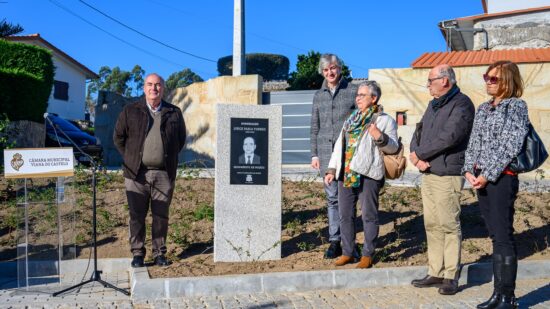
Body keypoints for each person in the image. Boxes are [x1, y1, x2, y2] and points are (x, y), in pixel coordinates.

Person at [462, 61, 529, 309]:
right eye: (486, 77)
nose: (488, 81)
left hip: (502, 178)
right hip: (480, 178)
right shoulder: (483, 108)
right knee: (495, 236)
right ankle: (497, 295)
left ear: (508, 81)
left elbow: (510, 145)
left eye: (493, 78)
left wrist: (488, 174)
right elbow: (474, 142)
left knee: (503, 235)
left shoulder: (516, 107)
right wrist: (468, 170)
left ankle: (507, 297)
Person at [409, 64, 475, 295]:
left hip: (448, 174)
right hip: (428, 172)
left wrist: (421, 154)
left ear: (445, 81)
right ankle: (435, 271)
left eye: (430, 80)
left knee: (448, 224)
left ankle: (450, 275)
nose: (427, 85)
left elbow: (450, 137)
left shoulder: (462, 104)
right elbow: (419, 131)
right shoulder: (433, 104)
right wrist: (416, 156)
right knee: (432, 224)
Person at [113, 73, 186, 268]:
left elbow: (180, 140)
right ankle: (137, 254)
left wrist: (164, 157)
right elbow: (118, 138)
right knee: (137, 216)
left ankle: (159, 253)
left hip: (163, 173)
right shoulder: (130, 111)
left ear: (163, 88)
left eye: (158, 85)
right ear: (144, 88)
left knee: (161, 216)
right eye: (150, 85)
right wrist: (132, 157)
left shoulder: (174, 113)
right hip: (136, 174)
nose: (154, 88)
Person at [324, 81, 398, 268]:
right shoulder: (351, 119)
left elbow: (394, 147)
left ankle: (368, 254)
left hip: (369, 173)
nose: (357, 98)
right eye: (357, 95)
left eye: (362, 95)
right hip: (346, 173)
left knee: (369, 215)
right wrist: (332, 170)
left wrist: (379, 136)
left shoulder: (384, 120)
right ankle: (348, 252)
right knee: (345, 214)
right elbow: (340, 147)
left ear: (374, 98)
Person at [310, 53, 357, 259]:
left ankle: (349, 242)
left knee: (348, 200)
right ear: (322, 72)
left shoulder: (353, 91)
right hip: (326, 154)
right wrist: (314, 154)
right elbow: (314, 126)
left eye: (334, 68)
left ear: (340, 69)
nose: (330, 72)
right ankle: (334, 240)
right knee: (332, 199)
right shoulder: (318, 95)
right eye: (326, 69)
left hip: (347, 155)